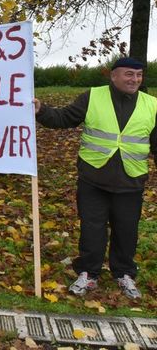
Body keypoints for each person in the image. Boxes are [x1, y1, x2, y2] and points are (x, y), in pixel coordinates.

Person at [34, 57, 155, 299]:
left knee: (126, 230)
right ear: (114, 76)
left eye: (138, 75)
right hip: (93, 178)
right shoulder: (93, 97)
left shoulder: (152, 105)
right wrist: (41, 110)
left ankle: (124, 274)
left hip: (131, 181)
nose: (134, 79)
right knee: (92, 228)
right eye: (129, 74)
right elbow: (64, 118)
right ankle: (88, 273)